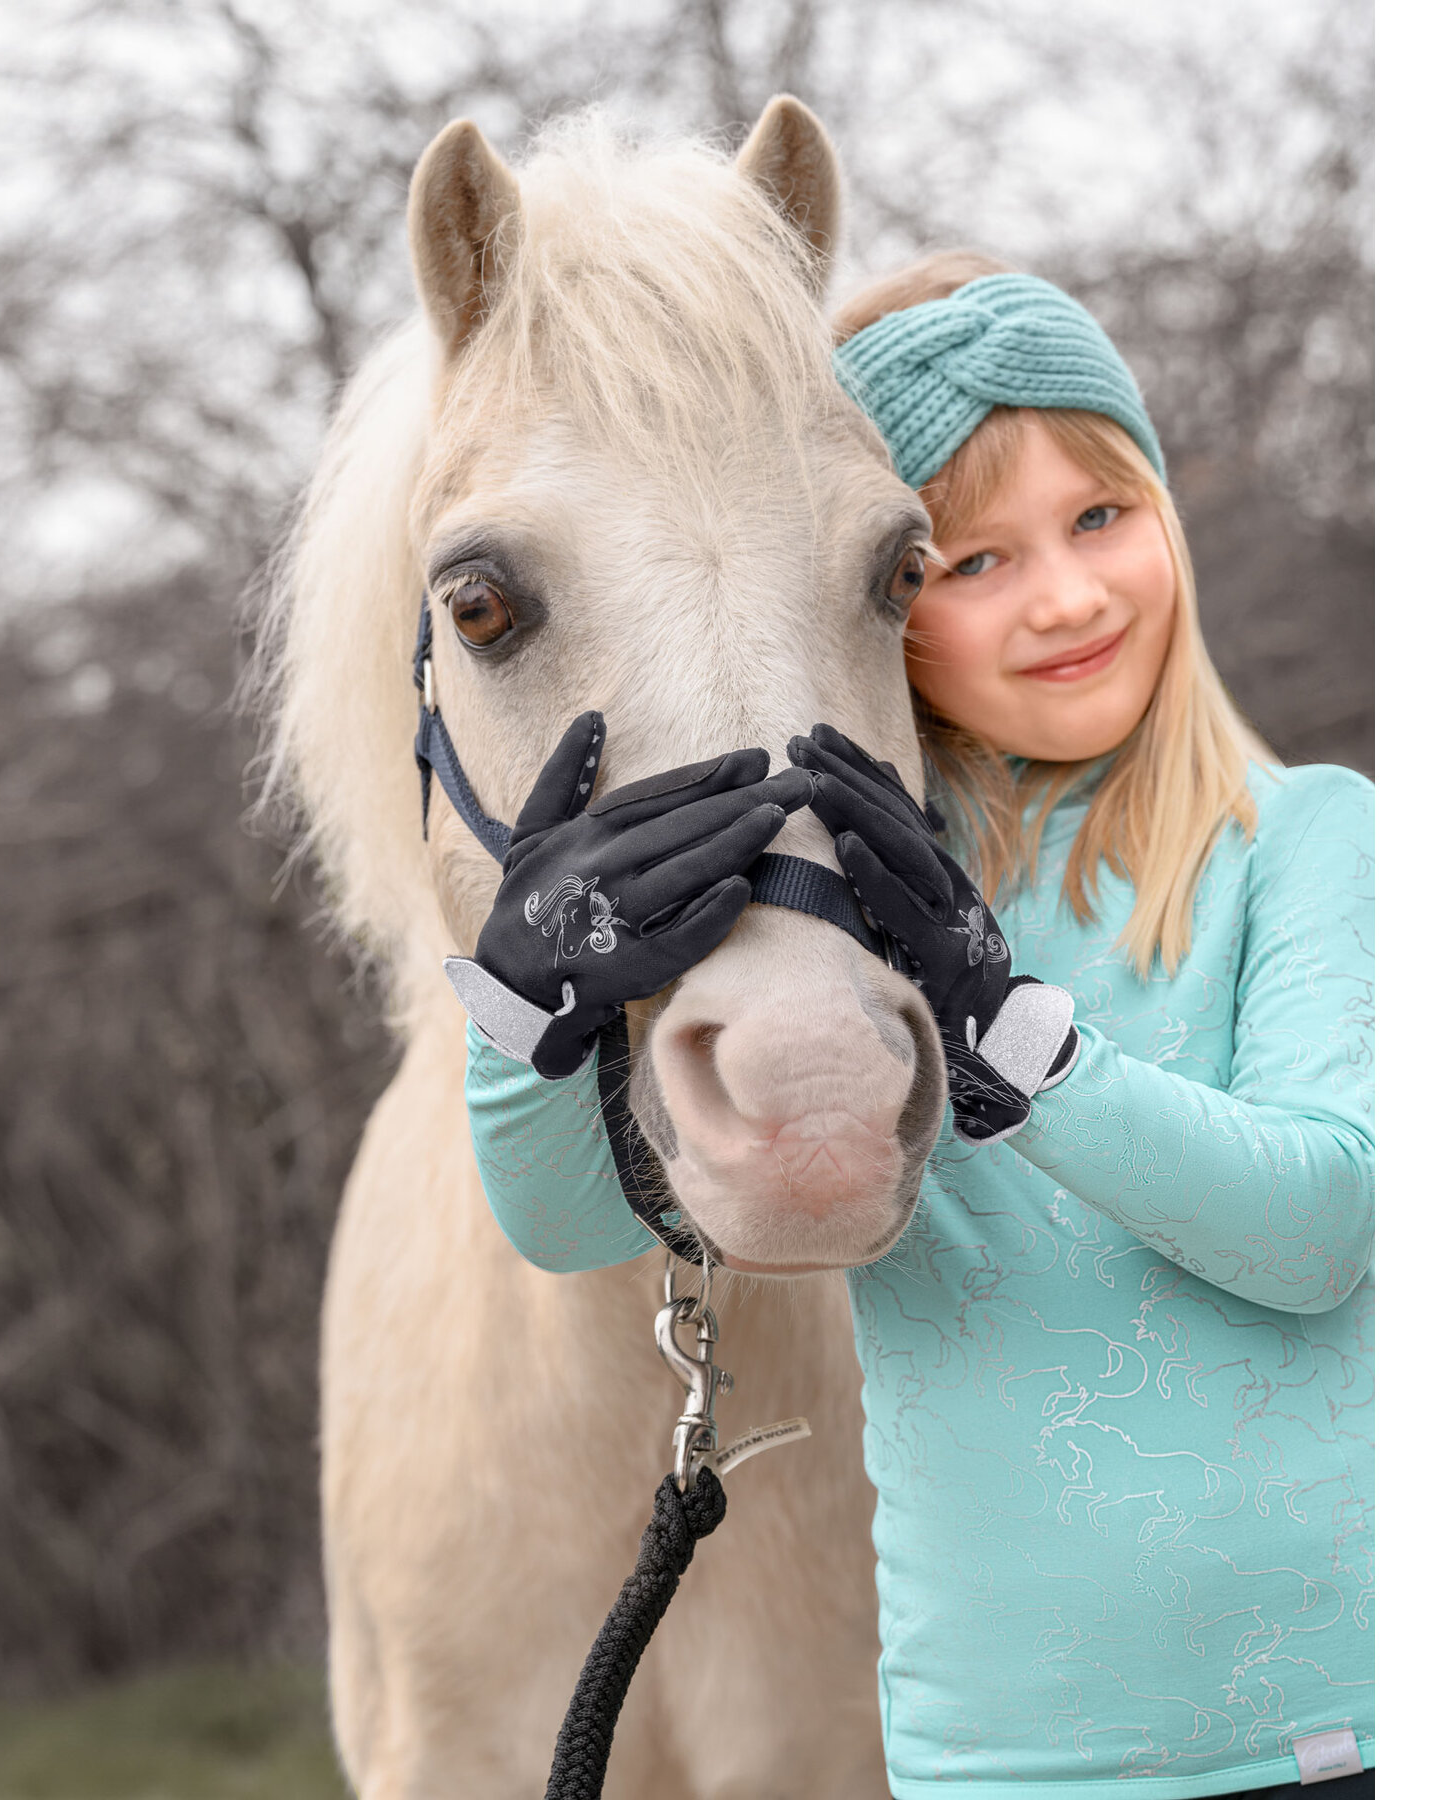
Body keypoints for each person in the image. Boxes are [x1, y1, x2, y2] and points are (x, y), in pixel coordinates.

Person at [443, 253, 1375, 1798]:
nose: (1067, 595)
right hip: (1000, 1762)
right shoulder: (833, 904)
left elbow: (1319, 1225)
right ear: (879, 607)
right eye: (972, 560)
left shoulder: (1305, 835)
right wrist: (521, 1008)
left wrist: (1009, 1027)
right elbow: (573, 1230)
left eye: (1100, 517)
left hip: (1343, 1715)